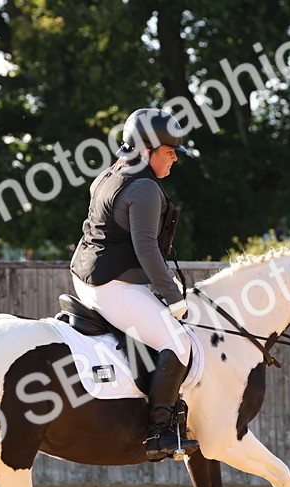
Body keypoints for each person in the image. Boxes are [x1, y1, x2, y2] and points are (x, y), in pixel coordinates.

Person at [69, 108, 198, 461]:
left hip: (87, 278)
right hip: (113, 286)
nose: (174, 160)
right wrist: (173, 297)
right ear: (146, 150)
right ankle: (159, 432)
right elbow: (146, 248)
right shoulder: (144, 188)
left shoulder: (111, 174)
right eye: (169, 152)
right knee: (178, 341)